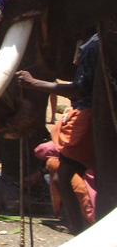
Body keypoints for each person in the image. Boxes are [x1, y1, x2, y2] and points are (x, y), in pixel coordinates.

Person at [17, 34, 99, 234]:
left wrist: (35, 83)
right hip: (90, 118)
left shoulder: (94, 45)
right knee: (61, 176)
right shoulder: (96, 42)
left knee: (64, 177)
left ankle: (82, 233)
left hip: (88, 119)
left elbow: (80, 89)